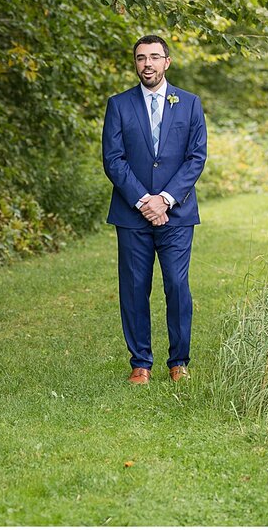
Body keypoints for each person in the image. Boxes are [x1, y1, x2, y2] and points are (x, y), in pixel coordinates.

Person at [101, 35, 207, 385]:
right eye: (141, 58)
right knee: (134, 287)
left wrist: (165, 199)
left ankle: (179, 362)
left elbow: (196, 157)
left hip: (177, 214)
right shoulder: (119, 105)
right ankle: (140, 364)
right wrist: (144, 200)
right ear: (135, 63)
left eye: (154, 57)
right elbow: (113, 160)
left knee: (177, 285)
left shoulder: (190, 104)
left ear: (167, 62)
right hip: (132, 214)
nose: (147, 63)